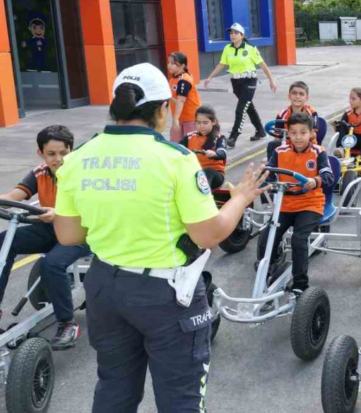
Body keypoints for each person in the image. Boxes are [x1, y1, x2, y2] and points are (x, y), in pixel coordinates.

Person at [53, 63, 268, 413]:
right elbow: (209, 234)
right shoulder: (176, 160)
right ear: (162, 109)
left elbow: (68, 234)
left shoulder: (77, 159)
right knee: (180, 398)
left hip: (104, 286)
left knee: (114, 388)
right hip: (164, 293)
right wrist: (241, 198)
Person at [0, 125, 91, 350]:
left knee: (51, 263)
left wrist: (58, 214)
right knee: (4, 241)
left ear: (72, 151)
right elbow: (13, 196)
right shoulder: (39, 173)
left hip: (81, 231)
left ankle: (67, 324)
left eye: (63, 153)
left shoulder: (83, 174)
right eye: (51, 154)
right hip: (50, 229)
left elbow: (91, 210)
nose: (58, 159)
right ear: (41, 153)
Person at [259, 112, 334, 294]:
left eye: (303, 132)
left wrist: (314, 181)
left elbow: (328, 176)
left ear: (311, 134)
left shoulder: (319, 153)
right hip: (285, 205)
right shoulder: (279, 152)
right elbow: (270, 173)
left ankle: (300, 283)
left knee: (298, 239)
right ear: (288, 133)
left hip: (310, 203)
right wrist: (265, 176)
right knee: (267, 236)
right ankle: (266, 273)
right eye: (294, 133)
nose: (298, 137)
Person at [203, 23, 278, 149]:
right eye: (231, 33)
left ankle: (233, 137)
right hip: (236, 82)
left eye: (235, 33)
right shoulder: (228, 48)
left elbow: (263, 65)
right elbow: (221, 64)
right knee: (249, 108)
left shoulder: (250, 48)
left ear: (242, 35)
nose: (232, 35)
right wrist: (209, 77)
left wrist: (272, 80)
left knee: (240, 109)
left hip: (249, 81)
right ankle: (260, 131)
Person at [267, 81, 320, 160]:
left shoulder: (311, 113)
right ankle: (271, 169)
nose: (297, 96)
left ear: (307, 98)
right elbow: (277, 136)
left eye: (301, 94)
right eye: (294, 93)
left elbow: (313, 135)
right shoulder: (282, 114)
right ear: (289, 96)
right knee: (272, 144)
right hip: (287, 145)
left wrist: (296, 138)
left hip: (306, 144)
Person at [179, 105, 228, 190]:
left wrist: (215, 154)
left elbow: (222, 152)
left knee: (207, 172)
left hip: (215, 175)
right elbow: (177, 149)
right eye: (198, 123)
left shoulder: (220, 138)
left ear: (213, 122)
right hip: (194, 173)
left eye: (205, 123)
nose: (201, 126)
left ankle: (202, 196)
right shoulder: (189, 137)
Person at [167, 52, 201, 143]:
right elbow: (177, 100)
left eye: (173, 63)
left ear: (182, 65)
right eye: (168, 62)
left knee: (190, 144)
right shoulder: (173, 79)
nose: (169, 65)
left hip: (190, 118)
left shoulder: (184, 80)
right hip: (180, 118)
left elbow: (181, 100)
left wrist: (175, 119)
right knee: (175, 143)